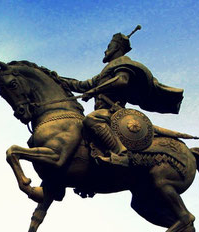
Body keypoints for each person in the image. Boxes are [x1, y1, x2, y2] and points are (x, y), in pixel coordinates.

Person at [60, 26, 184, 166]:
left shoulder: (124, 64)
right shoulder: (104, 73)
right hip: (103, 111)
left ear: (117, 48)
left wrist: (94, 91)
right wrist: (56, 78)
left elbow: (122, 80)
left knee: (91, 119)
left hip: (114, 112)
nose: (105, 50)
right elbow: (81, 85)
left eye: (109, 46)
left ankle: (121, 153)